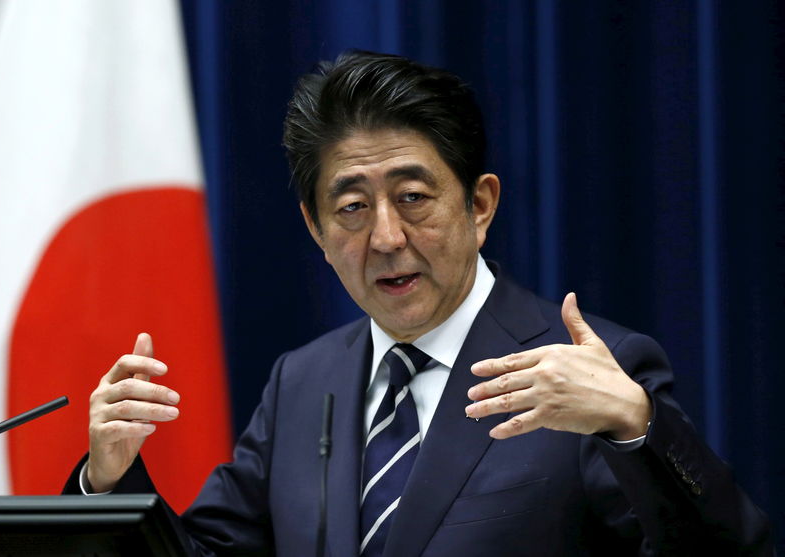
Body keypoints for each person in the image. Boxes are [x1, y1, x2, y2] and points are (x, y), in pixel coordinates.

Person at [65, 51, 773, 556]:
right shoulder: (302, 383)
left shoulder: (595, 373)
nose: (385, 237)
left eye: (413, 198)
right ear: (315, 228)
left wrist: (635, 426)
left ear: (480, 204)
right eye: (350, 207)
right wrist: (109, 478)